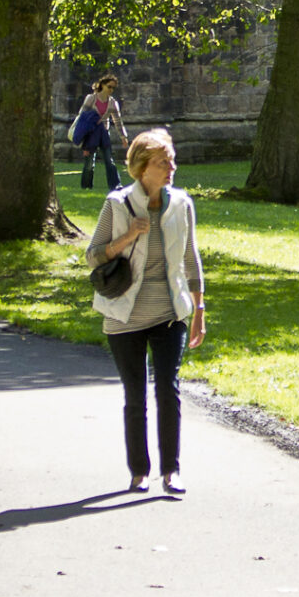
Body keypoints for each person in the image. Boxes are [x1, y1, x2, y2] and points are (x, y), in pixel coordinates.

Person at [88, 127, 205, 494]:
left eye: (171, 160)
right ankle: (139, 471)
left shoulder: (182, 204)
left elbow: (190, 257)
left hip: (170, 312)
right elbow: (93, 256)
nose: (172, 167)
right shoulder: (117, 204)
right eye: (162, 162)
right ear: (142, 168)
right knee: (135, 394)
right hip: (125, 314)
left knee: (168, 390)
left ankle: (171, 471)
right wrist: (128, 236)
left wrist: (199, 308)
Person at [72, 74, 127, 190]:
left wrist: (123, 137)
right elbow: (81, 117)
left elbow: (117, 121)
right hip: (90, 134)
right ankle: (86, 186)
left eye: (113, 88)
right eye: (109, 87)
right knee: (89, 164)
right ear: (102, 85)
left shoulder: (112, 103)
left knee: (109, 161)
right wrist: (81, 137)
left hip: (104, 133)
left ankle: (115, 185)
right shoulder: (91, 99)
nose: (111, 90)